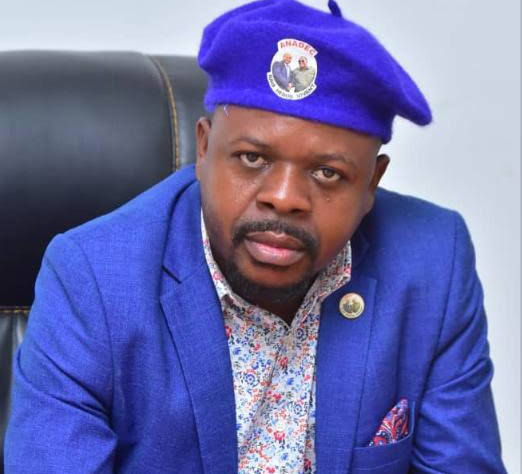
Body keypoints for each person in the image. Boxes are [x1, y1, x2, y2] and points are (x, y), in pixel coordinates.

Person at [4, 0, 507, 473]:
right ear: (203, 149)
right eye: (252, 158)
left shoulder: (433, 263)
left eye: (328, 173)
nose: (284, 199)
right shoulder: (92, 280)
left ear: (371, 184)